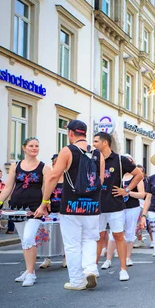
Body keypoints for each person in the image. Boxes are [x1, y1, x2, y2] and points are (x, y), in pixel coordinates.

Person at [35, 120, 103, 291]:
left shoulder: (67, 151)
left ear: (71, 133)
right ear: (85, 133)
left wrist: (45, 201)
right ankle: (90, 269)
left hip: (71, 205)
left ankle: (77, 280)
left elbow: (53, 177)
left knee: (72, 244)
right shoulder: (98, 153)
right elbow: (100, 181)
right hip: (92, 206)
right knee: (90, 238)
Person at [0, 137, 50, 287]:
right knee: (24, 241)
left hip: (35, 208)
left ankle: (31, 274)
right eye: (31, 146)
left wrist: (45, 205)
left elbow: (47, 189)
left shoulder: (44, 167)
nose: (34, 148)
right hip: (17, 207)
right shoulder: (16, 166)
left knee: (29, 238)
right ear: (24, 148)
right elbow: (8, 187)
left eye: (36, 146)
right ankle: (29, 271)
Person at [92, 132, 143, 281]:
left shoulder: (120, 160)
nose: (93, 144)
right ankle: (93, 268)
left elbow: (139, 174)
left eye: (96, 141)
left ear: (105, 143)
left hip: (115, 204)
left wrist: (126, 190)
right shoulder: (93, 159)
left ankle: (123, 269)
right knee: (98, 237)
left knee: (118, 236)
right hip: (97, 204)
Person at [101, 155, 146, 269]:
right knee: (114, 233)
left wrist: (127, 192)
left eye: (130, 161)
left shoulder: (135, 178)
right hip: (117, 207)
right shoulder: (118, 176)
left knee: (130, 232)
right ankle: (108, 259)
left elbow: (142, 194)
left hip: (132, 207)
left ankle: (127, 257)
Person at [39, 154, 67, 269]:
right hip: (51, 209)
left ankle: (65, 257)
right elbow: (44, 192)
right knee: (46, 234)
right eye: (55, 163)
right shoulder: (50, 177)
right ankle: (47, 258)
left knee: (64, 235)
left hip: (64, 210)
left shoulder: (68, 177)